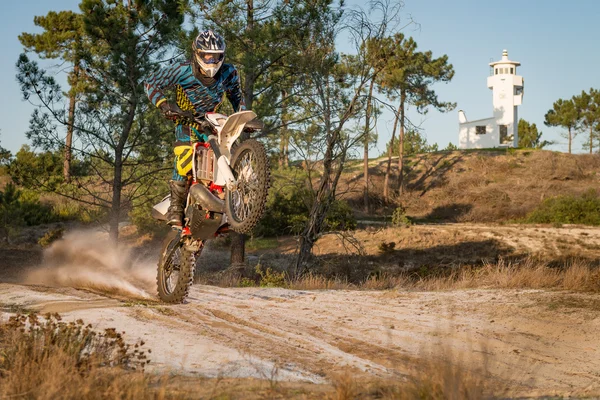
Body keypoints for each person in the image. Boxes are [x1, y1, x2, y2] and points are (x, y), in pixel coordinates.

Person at [144, 30, 245, 227]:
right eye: (207, 55)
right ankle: (175, 208)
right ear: (197, 53)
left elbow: (236, 96)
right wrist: (164, 106)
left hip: (212, 121)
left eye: (215, 56)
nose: (211, 60)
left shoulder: (228, 72)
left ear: (222, 56)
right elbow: (150, 83)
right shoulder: (182, 70)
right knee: (183, 155)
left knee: (229, 151)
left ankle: (232, 202)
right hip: (185, 119)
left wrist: (242, 116)